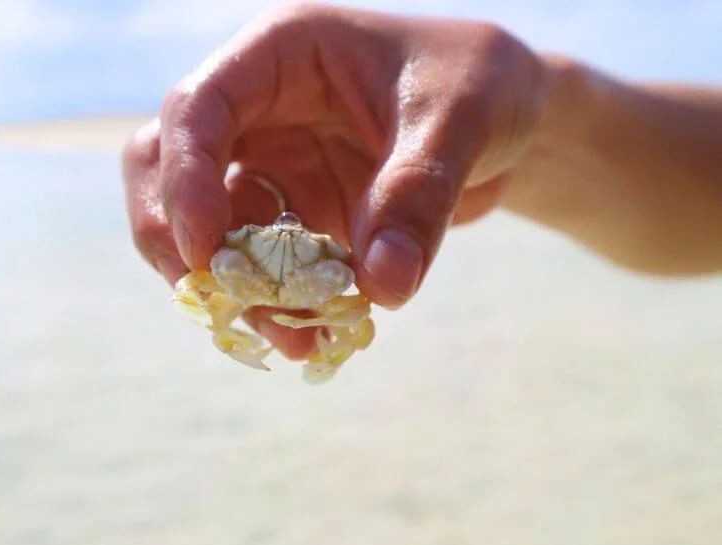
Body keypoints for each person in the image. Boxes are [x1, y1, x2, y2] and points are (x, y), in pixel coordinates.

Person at [122, 4, 722, 359]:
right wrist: (536, 121)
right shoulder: (250, 250)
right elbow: (198, 285)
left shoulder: (327, 262)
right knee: (196, 271)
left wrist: (539, 115)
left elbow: (356, 315)